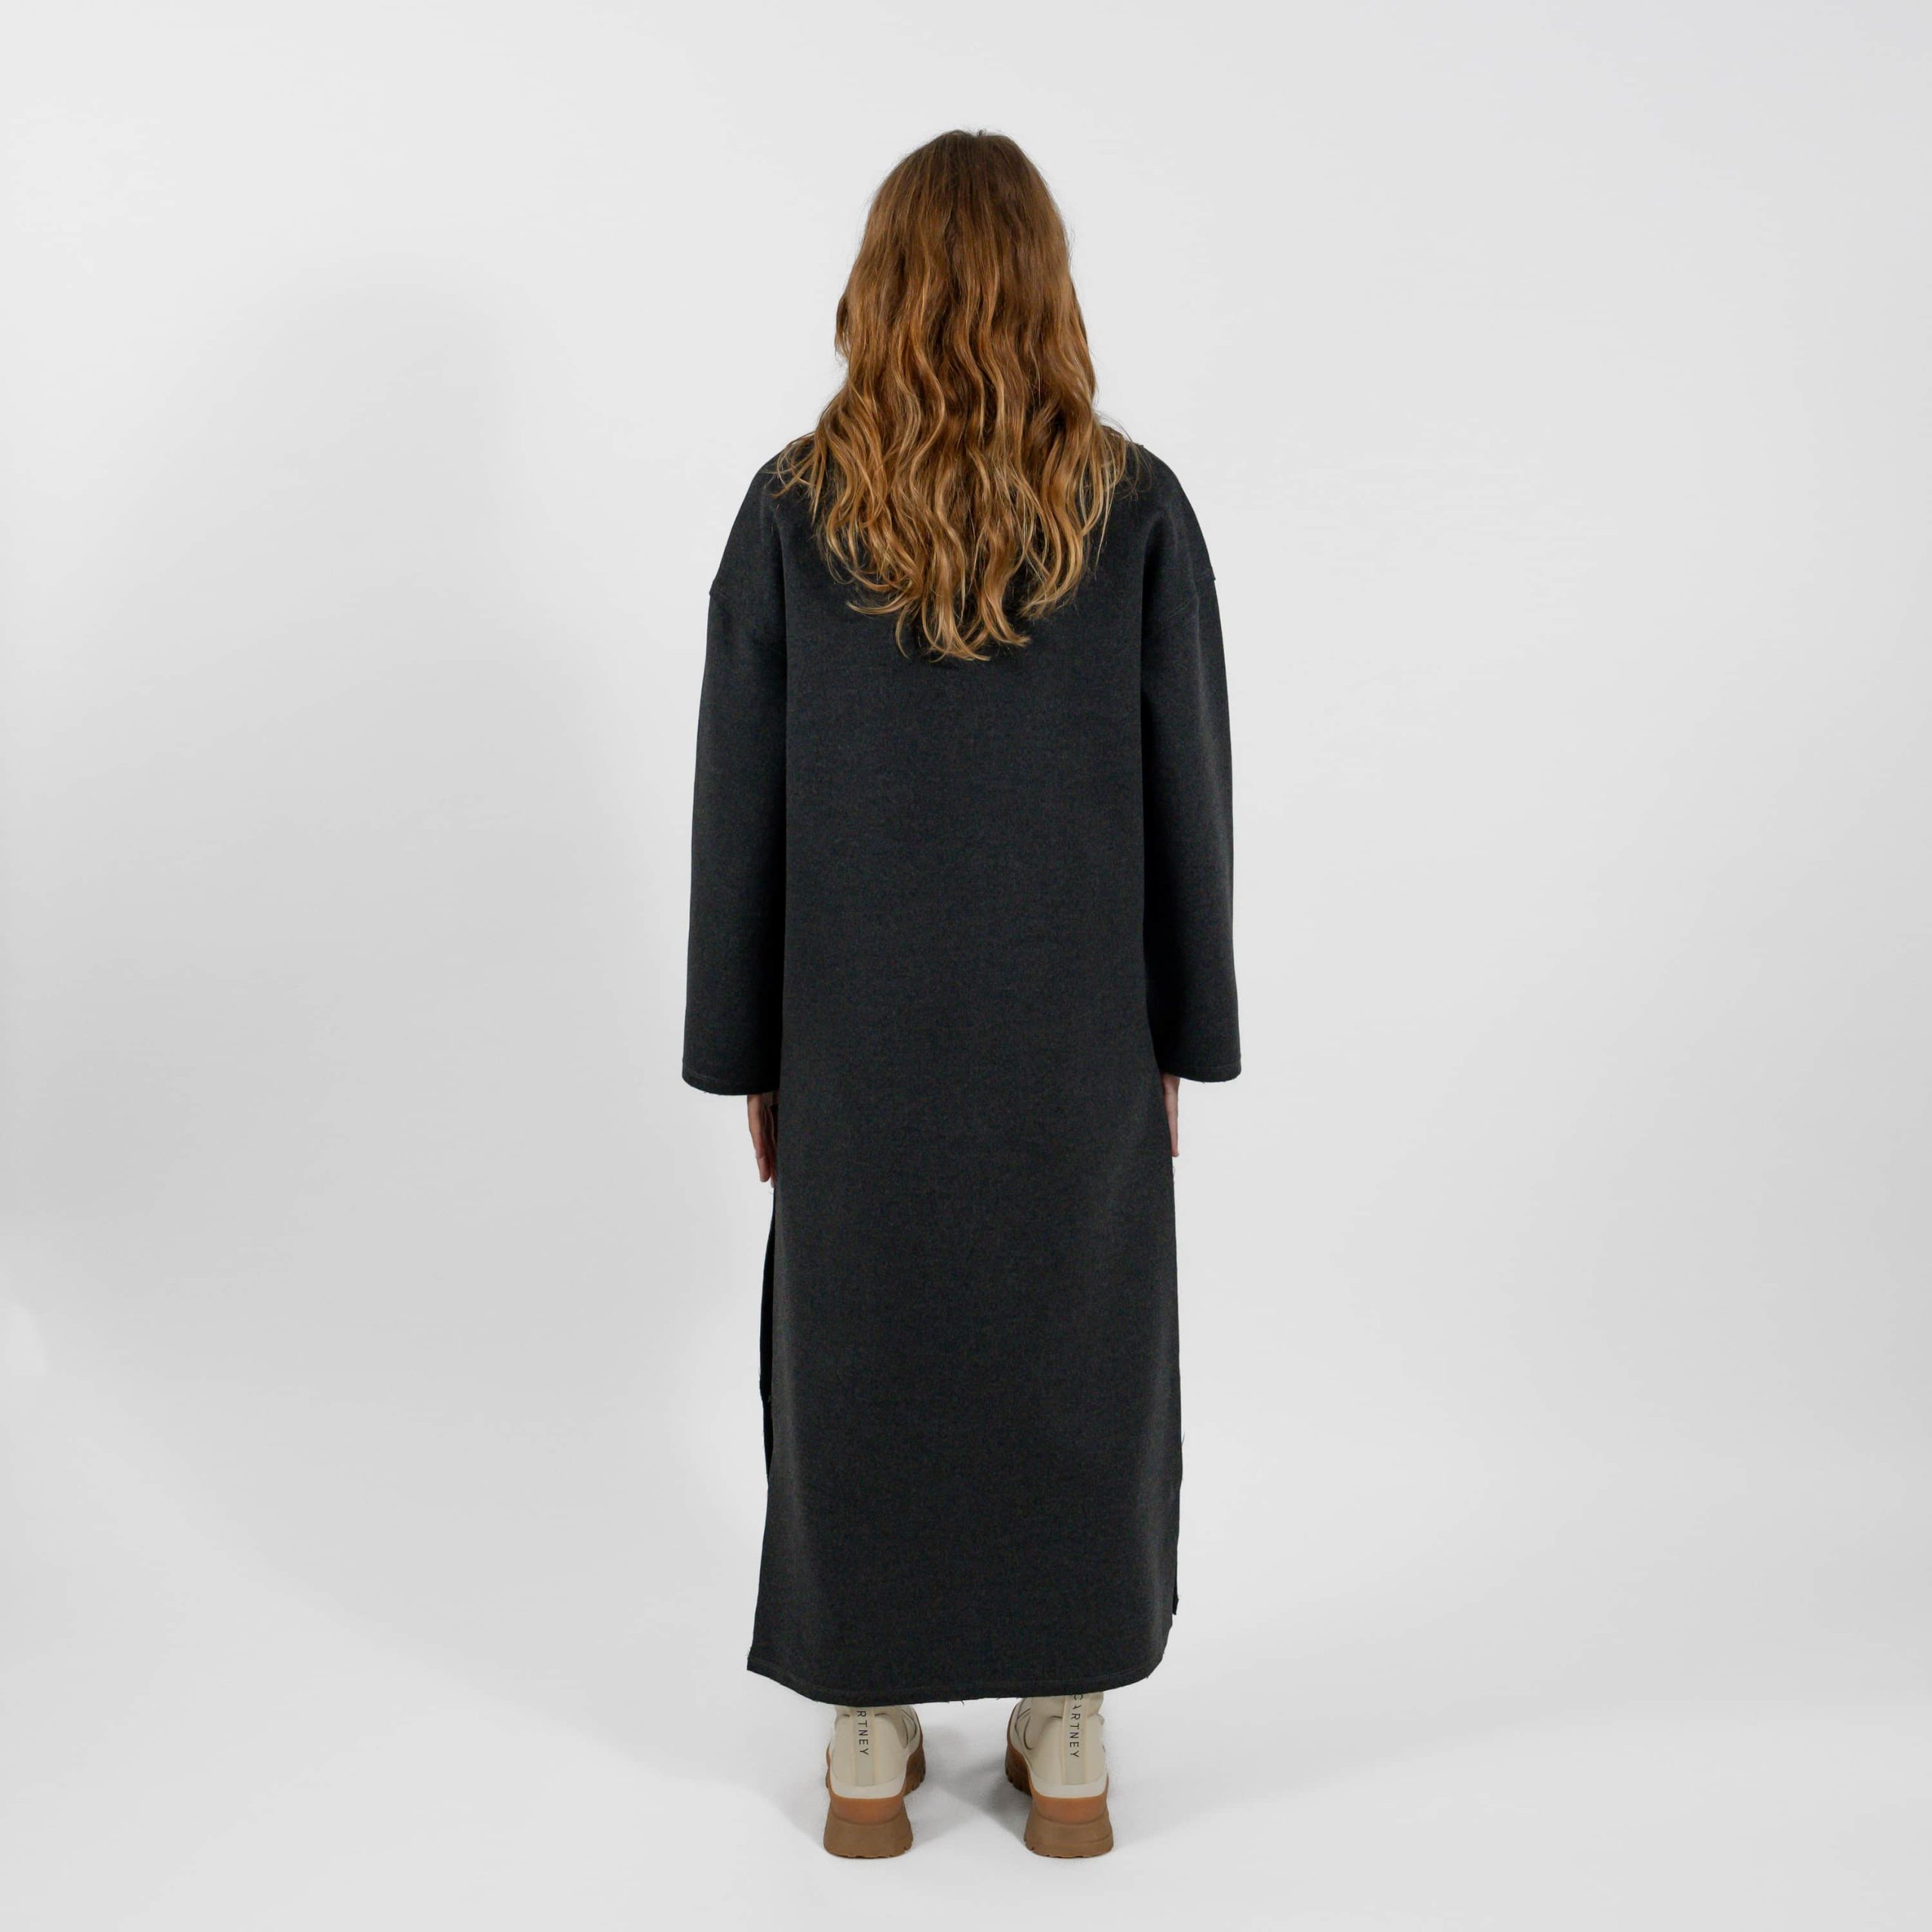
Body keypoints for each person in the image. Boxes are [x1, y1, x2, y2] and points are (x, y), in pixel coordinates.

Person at [682, 128, 1239, 1860]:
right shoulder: (1133, 510)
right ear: (1045, 289)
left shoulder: (793, 509)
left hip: (855, 1035)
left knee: (860, 1343)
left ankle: (866, 1729)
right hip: (1075, 1031)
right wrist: (1179, 1034)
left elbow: (740, 801)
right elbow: (1187, 792)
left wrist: (747, 1047)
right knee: (1075, 1338)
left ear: (880, 286)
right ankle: (1063, 1722)